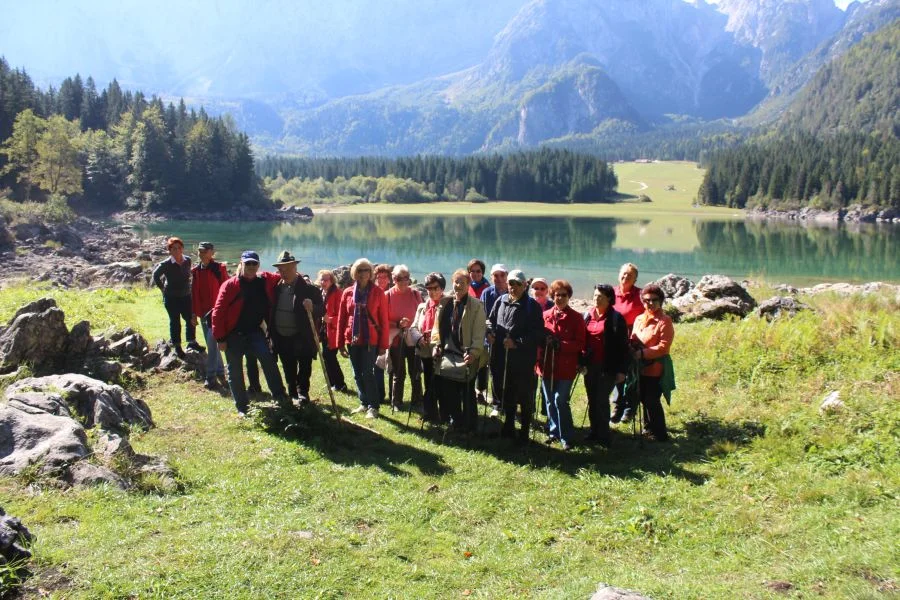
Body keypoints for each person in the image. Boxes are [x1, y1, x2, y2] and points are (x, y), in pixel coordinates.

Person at [211, 251, 288, 416]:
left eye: (254, 264)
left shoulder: (264, 280)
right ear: (241, 264)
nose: (251, 267)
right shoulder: (230, 285)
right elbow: (218, 312)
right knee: (235, 371)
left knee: (268, 360)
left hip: (255, 331)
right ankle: (242, 407)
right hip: (232, 334)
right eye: (248, 264)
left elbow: (284, 276)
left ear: (258, 265)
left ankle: (280, 396)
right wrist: (220, 338)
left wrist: (305, 279)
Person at [487, 269, 544, 442]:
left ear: (525, 285)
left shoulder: (531, 306)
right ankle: (509, 426)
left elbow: (537, 333)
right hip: (500, 356)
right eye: (511, 283)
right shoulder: (501, 300)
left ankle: (525, 431)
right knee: (506, 392)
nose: (514, 287)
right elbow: (490, 320)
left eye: (518, 284)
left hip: (523, 359)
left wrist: (517, 342)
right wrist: (489, 332)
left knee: (524, 394)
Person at [432, 269, 487, 432]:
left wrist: (474, 352)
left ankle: (470, 425)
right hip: (448, 353)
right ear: (452, 282)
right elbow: (437, 328)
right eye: (456, 282)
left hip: (467, 354)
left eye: (462, 283)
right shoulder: (445, 303)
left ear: (468, 285)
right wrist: (437, 345)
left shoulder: (476, 306)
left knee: (467, 391)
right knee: (449, 390)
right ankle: (456, 421)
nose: (458, 286)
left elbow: (479, 332)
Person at [269, 251, 324, 405]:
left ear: (295, 267)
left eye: (287, 268)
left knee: (304, 365)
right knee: (288, 366)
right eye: (281, 269)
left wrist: (313, 307)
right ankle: (293, 392)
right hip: (281, 335)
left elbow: (322, 309)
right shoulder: (276, 288)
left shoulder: (309, 288)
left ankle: (303, 392)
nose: (284, 272)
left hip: (302, 336)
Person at [337, 258, 390, 419]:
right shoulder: (347, 293)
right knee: (356, 373)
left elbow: (384, 320)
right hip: (352, 339)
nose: (363, 274)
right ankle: (363, 402)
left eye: (366, 270)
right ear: (354, 273)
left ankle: (374, 406)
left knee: (367, 372)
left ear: (371, 273)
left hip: (370, 340)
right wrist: (339, 343)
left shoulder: (378, 293)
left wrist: (383, 344)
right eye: (359, 270)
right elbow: (342, 318)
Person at [538, 280, 586, 451]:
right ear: (552, 296)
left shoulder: (576, 318)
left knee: (560, 400)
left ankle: (567, 436)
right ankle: (554, 432)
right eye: (557, 295)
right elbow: (539, 339)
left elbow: (580, 343)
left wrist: (560, 344)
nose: (560, 298)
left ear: (569, 296)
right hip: (546, 366)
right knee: (550, 401)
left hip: (565, 367)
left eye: (563, 295)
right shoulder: (545, 315)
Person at [582, 284, 629, 446]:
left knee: (601, 399)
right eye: (595, 295)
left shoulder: (616, 319)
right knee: (592, 399)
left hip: (607, 366)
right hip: (589, 366)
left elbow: (623, 347)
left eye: (600, 296)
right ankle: (594, 431)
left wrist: (622, 370)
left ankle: (604, 435)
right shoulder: (587, 315)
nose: (597, 298)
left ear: (609, 298)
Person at [630, 283, 675, 442]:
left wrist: (642, 353)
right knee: (643, 397)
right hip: (639, 367)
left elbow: (664, 347)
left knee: (652, 399)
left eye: (654, 300)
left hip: (655, 368)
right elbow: (634, 337)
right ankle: (648, 428)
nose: (650, 303)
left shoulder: (665, 321)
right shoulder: (639, 319)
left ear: (661, 301)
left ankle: (660, 433)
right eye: (646, 300)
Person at [152, 236, 199, 357]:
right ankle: (177, 346)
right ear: (170, 250)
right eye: (173, 248)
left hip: (186, 296)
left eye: (179, 248)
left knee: (190, 319)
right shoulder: (166, 264)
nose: (176, 250)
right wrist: (163, 289)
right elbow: (155, 275)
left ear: (182, 248)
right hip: (171, 297)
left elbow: (190, 274)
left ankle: (191, 342)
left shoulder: (187, 260)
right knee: (175, 321)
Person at [386, 264, 424, 411]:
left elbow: (422, 315)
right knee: (398, 372)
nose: (402, 281)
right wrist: (397, 323)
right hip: (396, 340)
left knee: (415, 372)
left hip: (413, 338)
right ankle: (396, 402)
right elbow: (381, 320)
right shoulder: (387, 296)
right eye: (398, 278)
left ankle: (417, 401)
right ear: (393, 279)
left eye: (406, 278)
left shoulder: (416, 294)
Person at [191, 241, 227, 389]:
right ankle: (220, 372)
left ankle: (210, 376)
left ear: (212, 252)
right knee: (211, 344)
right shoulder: (196, 271)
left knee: (212, 345)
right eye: (200, 251)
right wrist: (193, 313)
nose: (202, 254)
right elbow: (194, 294)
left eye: (205, 251)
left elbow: (227, 290)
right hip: (204, 314)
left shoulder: (219, 269)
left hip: (217, 314)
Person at [612, 262, 643, 424]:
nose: (625, 277)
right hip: (614, 341)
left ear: (635, 279)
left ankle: (630, 408)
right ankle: (617, 407)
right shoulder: (612, 293)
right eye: (623, 274)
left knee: (631, 376)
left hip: (632, 341)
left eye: (629, 276)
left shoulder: (640, 296)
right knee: (617, 374)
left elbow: (646, 317)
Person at [412, 272, 445, 423]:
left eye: (435, 288)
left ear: (442, 288)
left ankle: (444, 414)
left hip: (442, 351)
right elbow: (414, 328)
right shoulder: (422, 307)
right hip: (425, 351)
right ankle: (430, 413)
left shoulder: (449, 305)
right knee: (428, 382)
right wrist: (418, 338)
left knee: (440, 383)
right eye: (428, 288)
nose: (432, 291)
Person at [481, 263, 509, 417]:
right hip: (492, 339)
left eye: (502, 275)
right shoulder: (486, 293)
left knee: (509, 372)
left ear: (507, 275)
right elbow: (483, 316)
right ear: (491, 277)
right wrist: (487, 333)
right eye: (495, 276)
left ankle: (509, 402)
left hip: (510, 340)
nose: (499, 278)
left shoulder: (514, 291)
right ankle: (497, 404)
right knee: (495, 372)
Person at [317, 269, 348, 393]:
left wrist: (331, 320)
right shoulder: (320, 292)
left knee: (330, 356)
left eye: (326, 279)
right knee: (326, 356)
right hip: (324, 330)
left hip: (334, 331)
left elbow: (344, 314)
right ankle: (332, 383)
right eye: (322, 279)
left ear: (332, 281)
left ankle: (340, 384)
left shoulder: (338, 293)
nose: (324, 282)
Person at [372, 263, 393, 407]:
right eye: (378, 277)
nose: (381, 280)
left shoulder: (391, 294)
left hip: (391, 333)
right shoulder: (372, 293)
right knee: (377, 365)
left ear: (390, 279)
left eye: (384, 277)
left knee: (392, 365)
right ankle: (379, 394)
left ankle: (393, 396)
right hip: (376, 333)